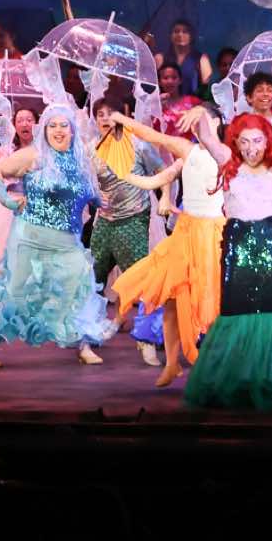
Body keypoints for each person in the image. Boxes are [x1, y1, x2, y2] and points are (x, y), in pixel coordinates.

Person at [180, 111, 272, 411]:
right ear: (236, 144)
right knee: (236, 312)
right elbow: (207, 136)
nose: (252, 148)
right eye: (244, 142)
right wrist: (200, 114)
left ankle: (271, 380)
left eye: (257, 141)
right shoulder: (228, 163)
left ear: (268, 141)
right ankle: (234, 380)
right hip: (239, 247)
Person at [0, 102, 117, 363]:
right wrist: (7, 200)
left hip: (68, 240)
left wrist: (99, 200)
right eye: (52, 126)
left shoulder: (80, 161)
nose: (58, 130)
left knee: (78, 290)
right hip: (31, 238)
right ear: (44, 130)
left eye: (64, 125)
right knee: (17, 295)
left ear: (72, 130)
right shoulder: (34, 156)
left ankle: (83, 345)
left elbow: (86, 191)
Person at [110, 104, 225, 388]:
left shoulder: (226, 153)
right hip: (185, 234)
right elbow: (154, 142)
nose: (198, 125)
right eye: (194, 121)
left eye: (204, 120)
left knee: (211, 301)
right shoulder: (187, 150)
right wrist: (127, 171)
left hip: (213, 235)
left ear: (217, 123)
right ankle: (173, 363)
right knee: (172, 298)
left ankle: (216, 364)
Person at [86, 97, 166, 365]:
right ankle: (87, 335)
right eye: (100, 114)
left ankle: (147, 340)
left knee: (141, 282)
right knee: (92, 278)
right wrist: (93, 197)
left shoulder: (137, 144)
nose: (106, 119)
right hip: (104, 221)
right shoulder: (91, 149)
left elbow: (163, 171)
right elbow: (84, 182)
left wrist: (166, 197)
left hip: (133, 220)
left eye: (111, 113)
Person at [161, 19, 213, 94]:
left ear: (191, 36)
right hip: (165, 100)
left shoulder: (202, 59)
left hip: (193, 100)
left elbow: (206, 88)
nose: (180, 35)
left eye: (185, 32)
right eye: (176, 31)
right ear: (170, 36)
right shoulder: (161, 58)